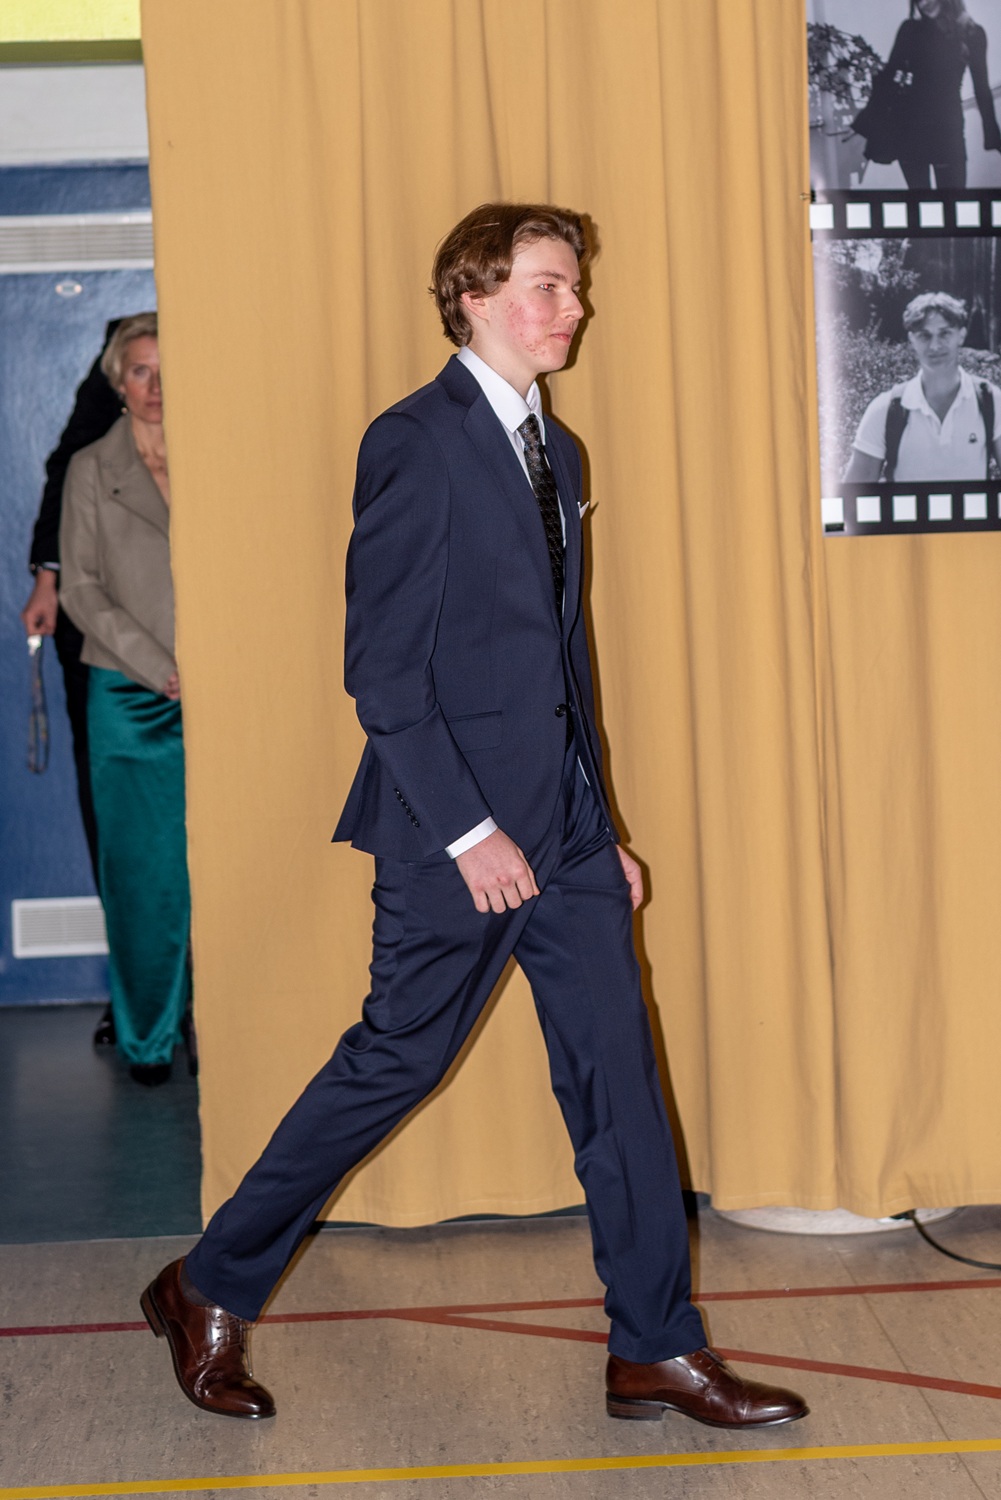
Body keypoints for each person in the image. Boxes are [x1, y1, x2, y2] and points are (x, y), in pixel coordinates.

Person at [140, 203, 808, 1430]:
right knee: (395, 1060)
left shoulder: (562, 450)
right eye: (549, 286)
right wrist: (467, 832)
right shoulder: (414, 441)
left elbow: (559, 664)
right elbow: (383, 672)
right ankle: (207, 1283)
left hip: (565, 830)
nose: (574, 307)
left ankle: (655, 1346)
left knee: (619, 1081)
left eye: (573, 286)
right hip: (453, 832)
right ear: (474, 296)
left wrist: (597, 822)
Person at [59, 313, 193, 1087]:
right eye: (140, 370)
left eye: (167, 369)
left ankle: (222, 1028)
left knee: (222, 871)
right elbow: (79, 589)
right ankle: (148, 1038)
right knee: (145, 878)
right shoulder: (89, 468)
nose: (156, 385)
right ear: (118, 381)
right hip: (131, 700)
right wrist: (160, 668)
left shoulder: (216, 458)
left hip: (221, 702)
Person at [20, 322, 124, 1049]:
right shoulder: (131, 343)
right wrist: (48, 578)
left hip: (205, 622)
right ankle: (141, 992)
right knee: (112, 810)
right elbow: (68, 463)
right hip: (103, 621)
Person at [844, 292, 1001, 483]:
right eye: (924, 336)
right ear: (912, 340)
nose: (935, 346)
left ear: (961, 336)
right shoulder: (885, 410)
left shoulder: (992, 402)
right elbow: (854, 495)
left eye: (944, 333)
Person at [853, 0, 1001, 189]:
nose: (923, 4)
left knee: (952, 201)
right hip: (910, 129)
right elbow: (889, 78)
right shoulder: (910, 30)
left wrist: (993, 135)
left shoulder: (971, 33)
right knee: (919, 202)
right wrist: (864, 122)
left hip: (948, 129)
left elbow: (981, 88)